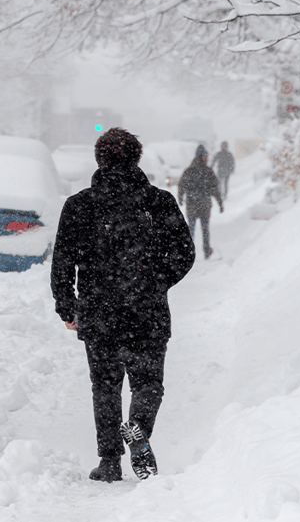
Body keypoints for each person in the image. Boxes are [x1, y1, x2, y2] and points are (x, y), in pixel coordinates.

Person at [50, 127, 195, 482]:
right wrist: (156, 282)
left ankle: (110, 460)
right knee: (148, 383)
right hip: (148, 312)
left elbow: (63, 260)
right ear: (137, 159)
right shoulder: (158, 203)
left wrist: (67, 306)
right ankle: (139, 426)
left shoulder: (80, 205)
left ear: (99, 160)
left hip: (99, 311)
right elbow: (185, 253)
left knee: (105, 385)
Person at [178, 145, 223, 260]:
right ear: (202, 156)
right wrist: (220, 203)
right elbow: (215, 189)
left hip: (192, 205)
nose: (207, 158)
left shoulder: (189, 170)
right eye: (205, 155)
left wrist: (180, 198)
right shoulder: (208, 171)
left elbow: (181, 185)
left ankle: (186, 252)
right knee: (205, 230)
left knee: (190, 230)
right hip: (204, 205)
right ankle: (207, 250)